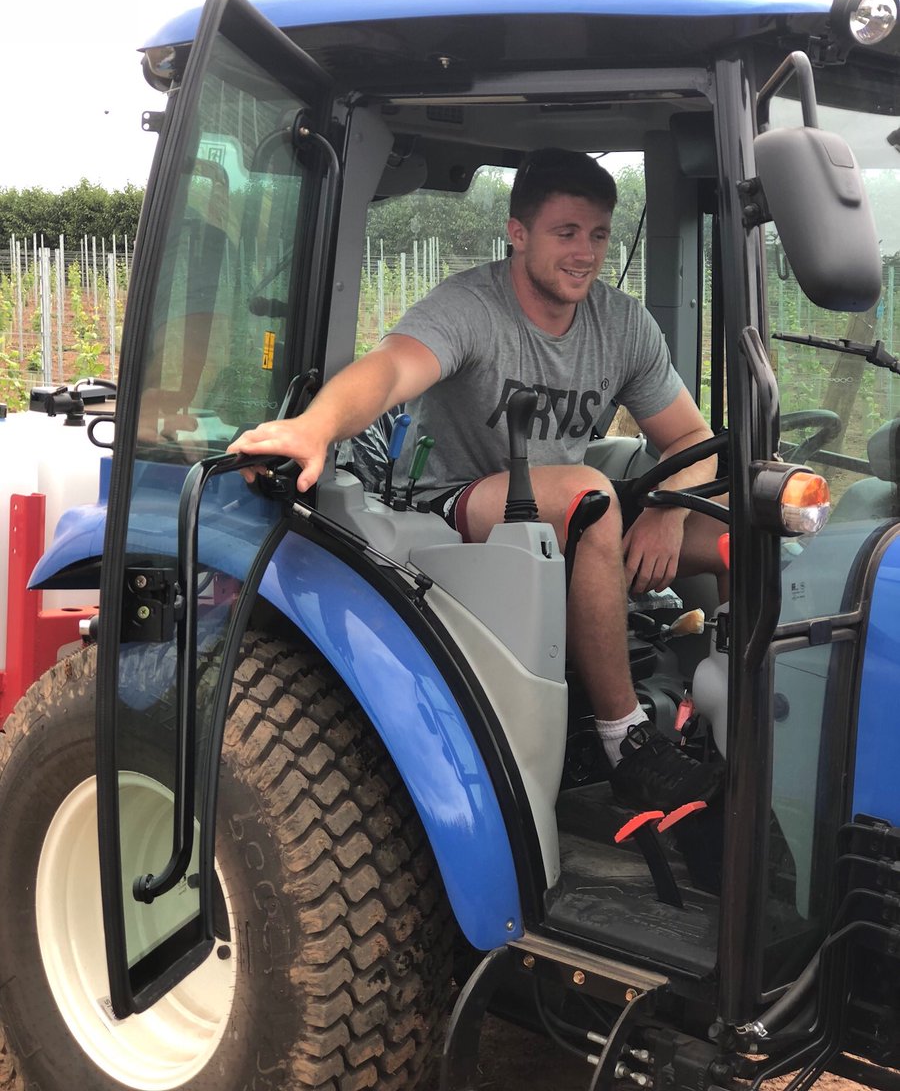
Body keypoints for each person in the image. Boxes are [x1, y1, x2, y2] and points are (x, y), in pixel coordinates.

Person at [228, 148, 727, 811]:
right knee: (588, 499)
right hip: (453, 502)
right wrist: (316, 427)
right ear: (518, 233)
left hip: (558, 503)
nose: (585, 252)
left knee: (742, 521)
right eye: (566, 233)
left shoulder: (622, 324)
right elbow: (392, 369)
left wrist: (667, 509)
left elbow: (692, 438)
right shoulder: (471, 307)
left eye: (599, 234)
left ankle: (739, 718)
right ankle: (626, 741)